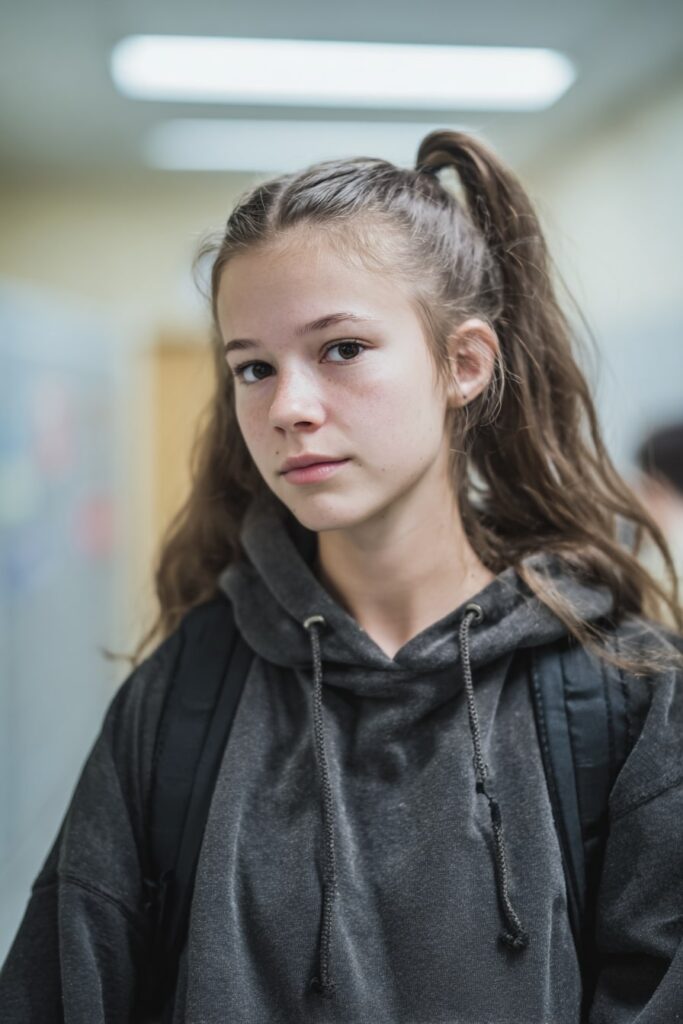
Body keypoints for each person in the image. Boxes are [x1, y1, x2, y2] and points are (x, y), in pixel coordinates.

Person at [1, 129, 682, 1024]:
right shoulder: (181, 697)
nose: (287, 407)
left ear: (463, 363)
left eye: (342, 349)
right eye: (253, 367)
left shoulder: (621, 697)